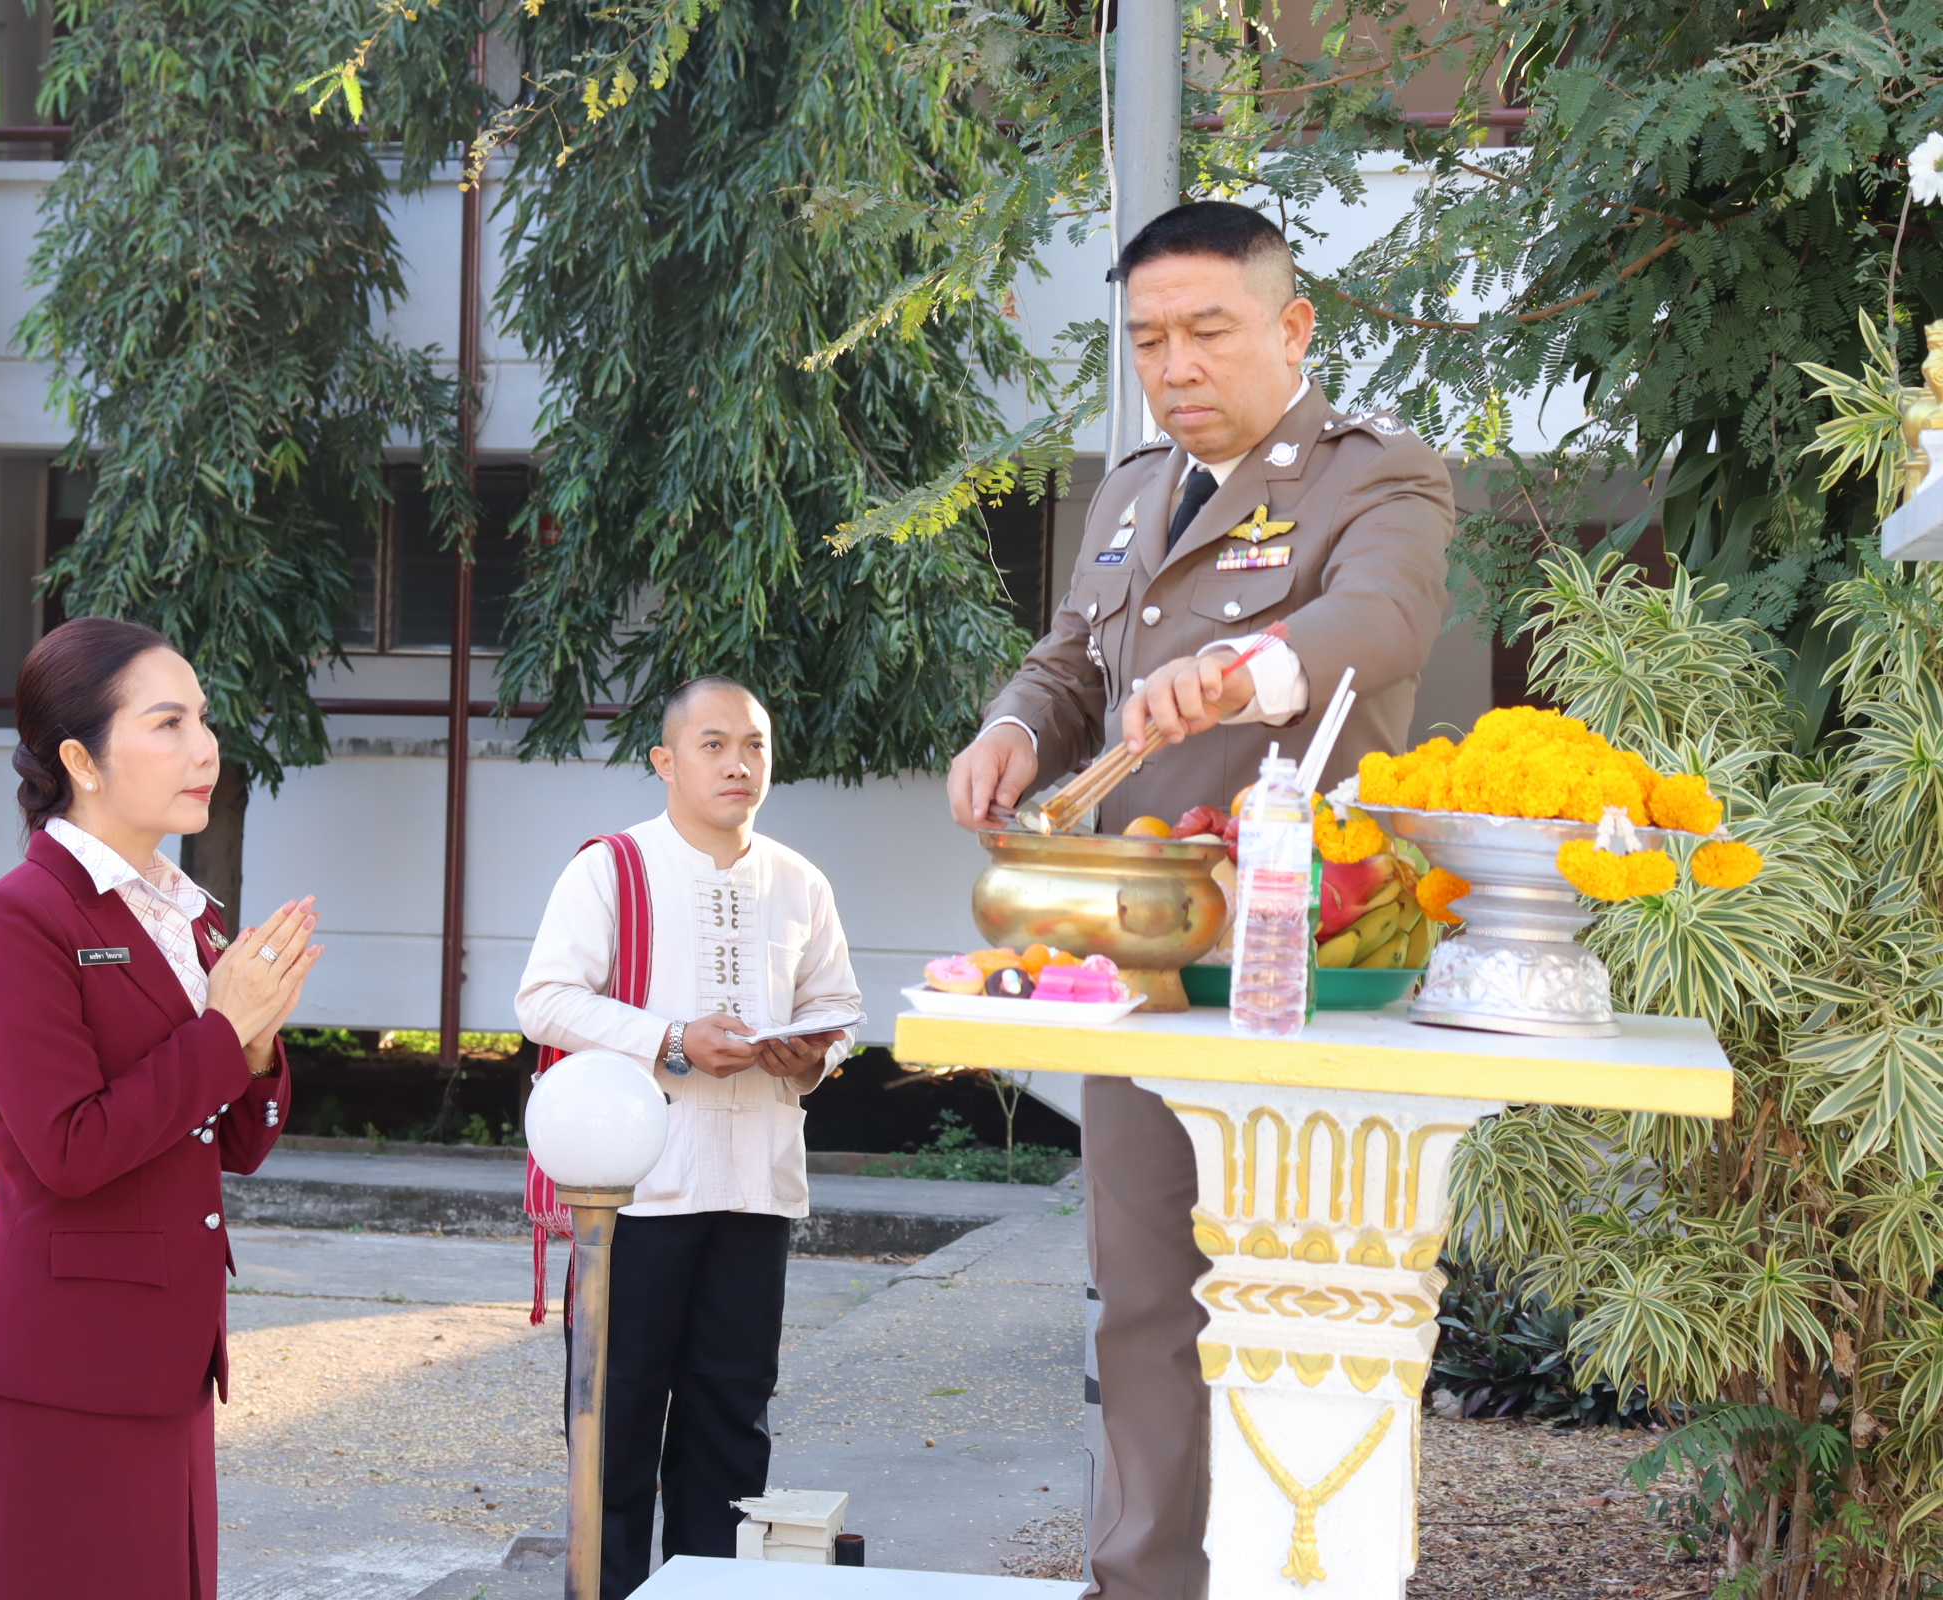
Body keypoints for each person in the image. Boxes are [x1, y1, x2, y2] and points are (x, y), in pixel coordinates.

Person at [946, 201, 1454, 1598]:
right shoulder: (1130, 493)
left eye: (1208, 331)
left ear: (1293, 328)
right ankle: (1147, 1580)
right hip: (1143, 965)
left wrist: (1238, 670)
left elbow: (1382, 620)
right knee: (1143, 1303)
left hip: (1309, 967)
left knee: (1313, 1300)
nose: (1175, 365)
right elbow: (1071, 660)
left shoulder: (1378, 474)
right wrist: (1014, 728)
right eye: (1149, 339)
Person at [0, 617, 323, 1600]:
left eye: (205, 720)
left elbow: (232, 1142)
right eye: (169, 723)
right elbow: (69, 1147)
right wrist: (223, 1032)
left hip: (162, 1358)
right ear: (80, 759)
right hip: (55, 1368)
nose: (205, 749)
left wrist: (254, 1048)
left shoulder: (189, 913)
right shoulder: (22, 914)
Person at [516, 676, 862, 1600]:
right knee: (614, 1425)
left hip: (755, 1187)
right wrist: (671, 1039)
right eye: (713, 745)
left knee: (731, 1424)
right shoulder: (613, 868)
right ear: (664, 761)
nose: (737, 764)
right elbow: (543, 999)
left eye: (754, 745)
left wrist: (811, 1056)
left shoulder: (800, 881)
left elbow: (838, 1008)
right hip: (634, 1192)